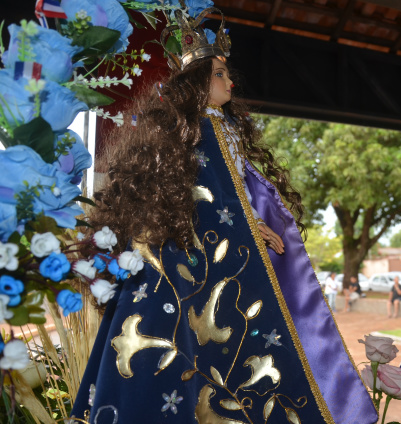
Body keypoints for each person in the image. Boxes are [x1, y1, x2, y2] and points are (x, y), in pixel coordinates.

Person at [70, 8, 377, 424]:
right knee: (188, 345)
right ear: (195, 82)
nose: (229, 81)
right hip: (195, 251)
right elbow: (205, 195)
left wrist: (257, 220)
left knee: (236, 347)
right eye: (218, 73)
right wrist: (249, 224)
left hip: (230, 252)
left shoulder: (222, 128)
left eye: (227, 72)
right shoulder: (191, 130)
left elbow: (238, 193)